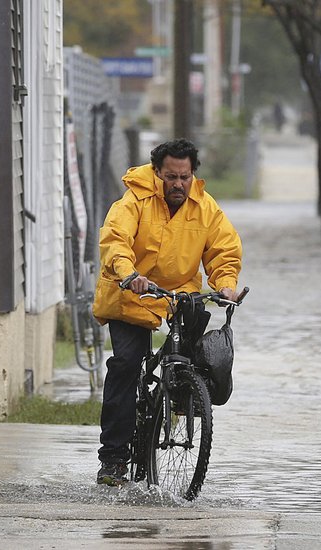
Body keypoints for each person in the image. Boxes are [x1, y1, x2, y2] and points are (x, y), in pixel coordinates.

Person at [91, 138, 243, 486]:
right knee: (127, 365)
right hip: (130, 289)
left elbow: (223, 251)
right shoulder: (133, 200)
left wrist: (225, 284)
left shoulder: (206, 208)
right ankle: (113, 459)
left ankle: (177, 399)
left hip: (179, 294)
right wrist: (129, 274)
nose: (178, 184)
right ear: (157, 173)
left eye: (184, 177)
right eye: (171, 176)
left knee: (194, 361)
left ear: (193, 175)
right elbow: (115, 240)